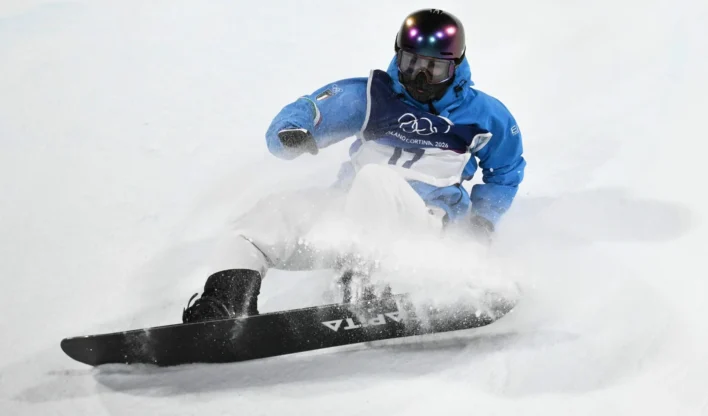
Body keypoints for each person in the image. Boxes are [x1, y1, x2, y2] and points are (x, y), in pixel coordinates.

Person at [182, 9, 526, 323]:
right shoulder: (372, 97)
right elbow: (312, 109)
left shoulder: (483, 116)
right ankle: (227, 304)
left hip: (423, 227)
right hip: (348, 221)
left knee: (375, 179)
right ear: (398, 56)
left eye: (434, 69)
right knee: (266, 216)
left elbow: (505, 172)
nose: (420, 78)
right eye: (411, 64)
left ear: (456, 67)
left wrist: (483, 221)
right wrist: (293, 132)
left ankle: (368, 285)